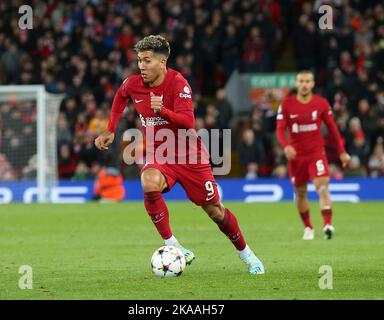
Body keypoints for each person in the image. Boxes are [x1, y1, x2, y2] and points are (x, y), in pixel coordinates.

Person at [95, 35, 264, 274]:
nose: (141, 66)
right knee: (148, 182)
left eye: (147, 61)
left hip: (189, 156)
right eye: (139, 60)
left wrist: (162, 110)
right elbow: (121, 96)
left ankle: (247, 255)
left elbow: (188, 122)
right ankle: (173, 245)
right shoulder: (133, 84)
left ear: (162, 62)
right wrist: (111, 129)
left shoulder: (178, 83)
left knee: (215, 211)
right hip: (160, 154)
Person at [276, 70, 351, 240]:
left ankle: (327, 225)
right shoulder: (287, 104)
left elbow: (332, 129)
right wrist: (285, 146)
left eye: (307, 81)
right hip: (296, 157)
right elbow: (280, 129)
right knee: (300, 193)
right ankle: (308, 227)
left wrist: (342, 152)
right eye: (301, 81)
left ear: (312, 84)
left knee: (323, 186)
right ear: (296, 84)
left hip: (316, 153)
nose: (304, 84)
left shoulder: (321, 103)